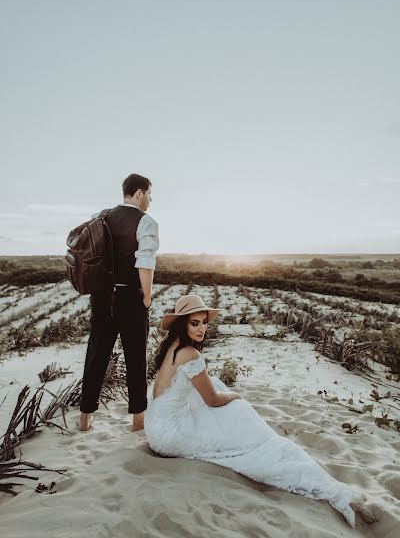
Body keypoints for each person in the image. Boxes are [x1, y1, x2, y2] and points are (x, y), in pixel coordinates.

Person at [144, 294, 357, 528]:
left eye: (205, 322)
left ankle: (257, 439)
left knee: (218, 390)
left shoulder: (172, 347)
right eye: (195, 323)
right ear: (181, 324)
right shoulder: (190, 354)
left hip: (154, 426)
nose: (202, 328)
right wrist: (237, 396)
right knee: (238, 408)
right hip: (168, 436)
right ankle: (269, 449)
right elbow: (213, 400)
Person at [79, 173, 159, 432]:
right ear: (138, 193)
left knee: (96, 355)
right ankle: (137, 420)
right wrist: (146, 296)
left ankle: (85, 418)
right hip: (129, 297)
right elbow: (145, 262)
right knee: (136, 357)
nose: (150, 200)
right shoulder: (146, 221)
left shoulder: (100, 217)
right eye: (149, 194)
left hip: (100, 297)